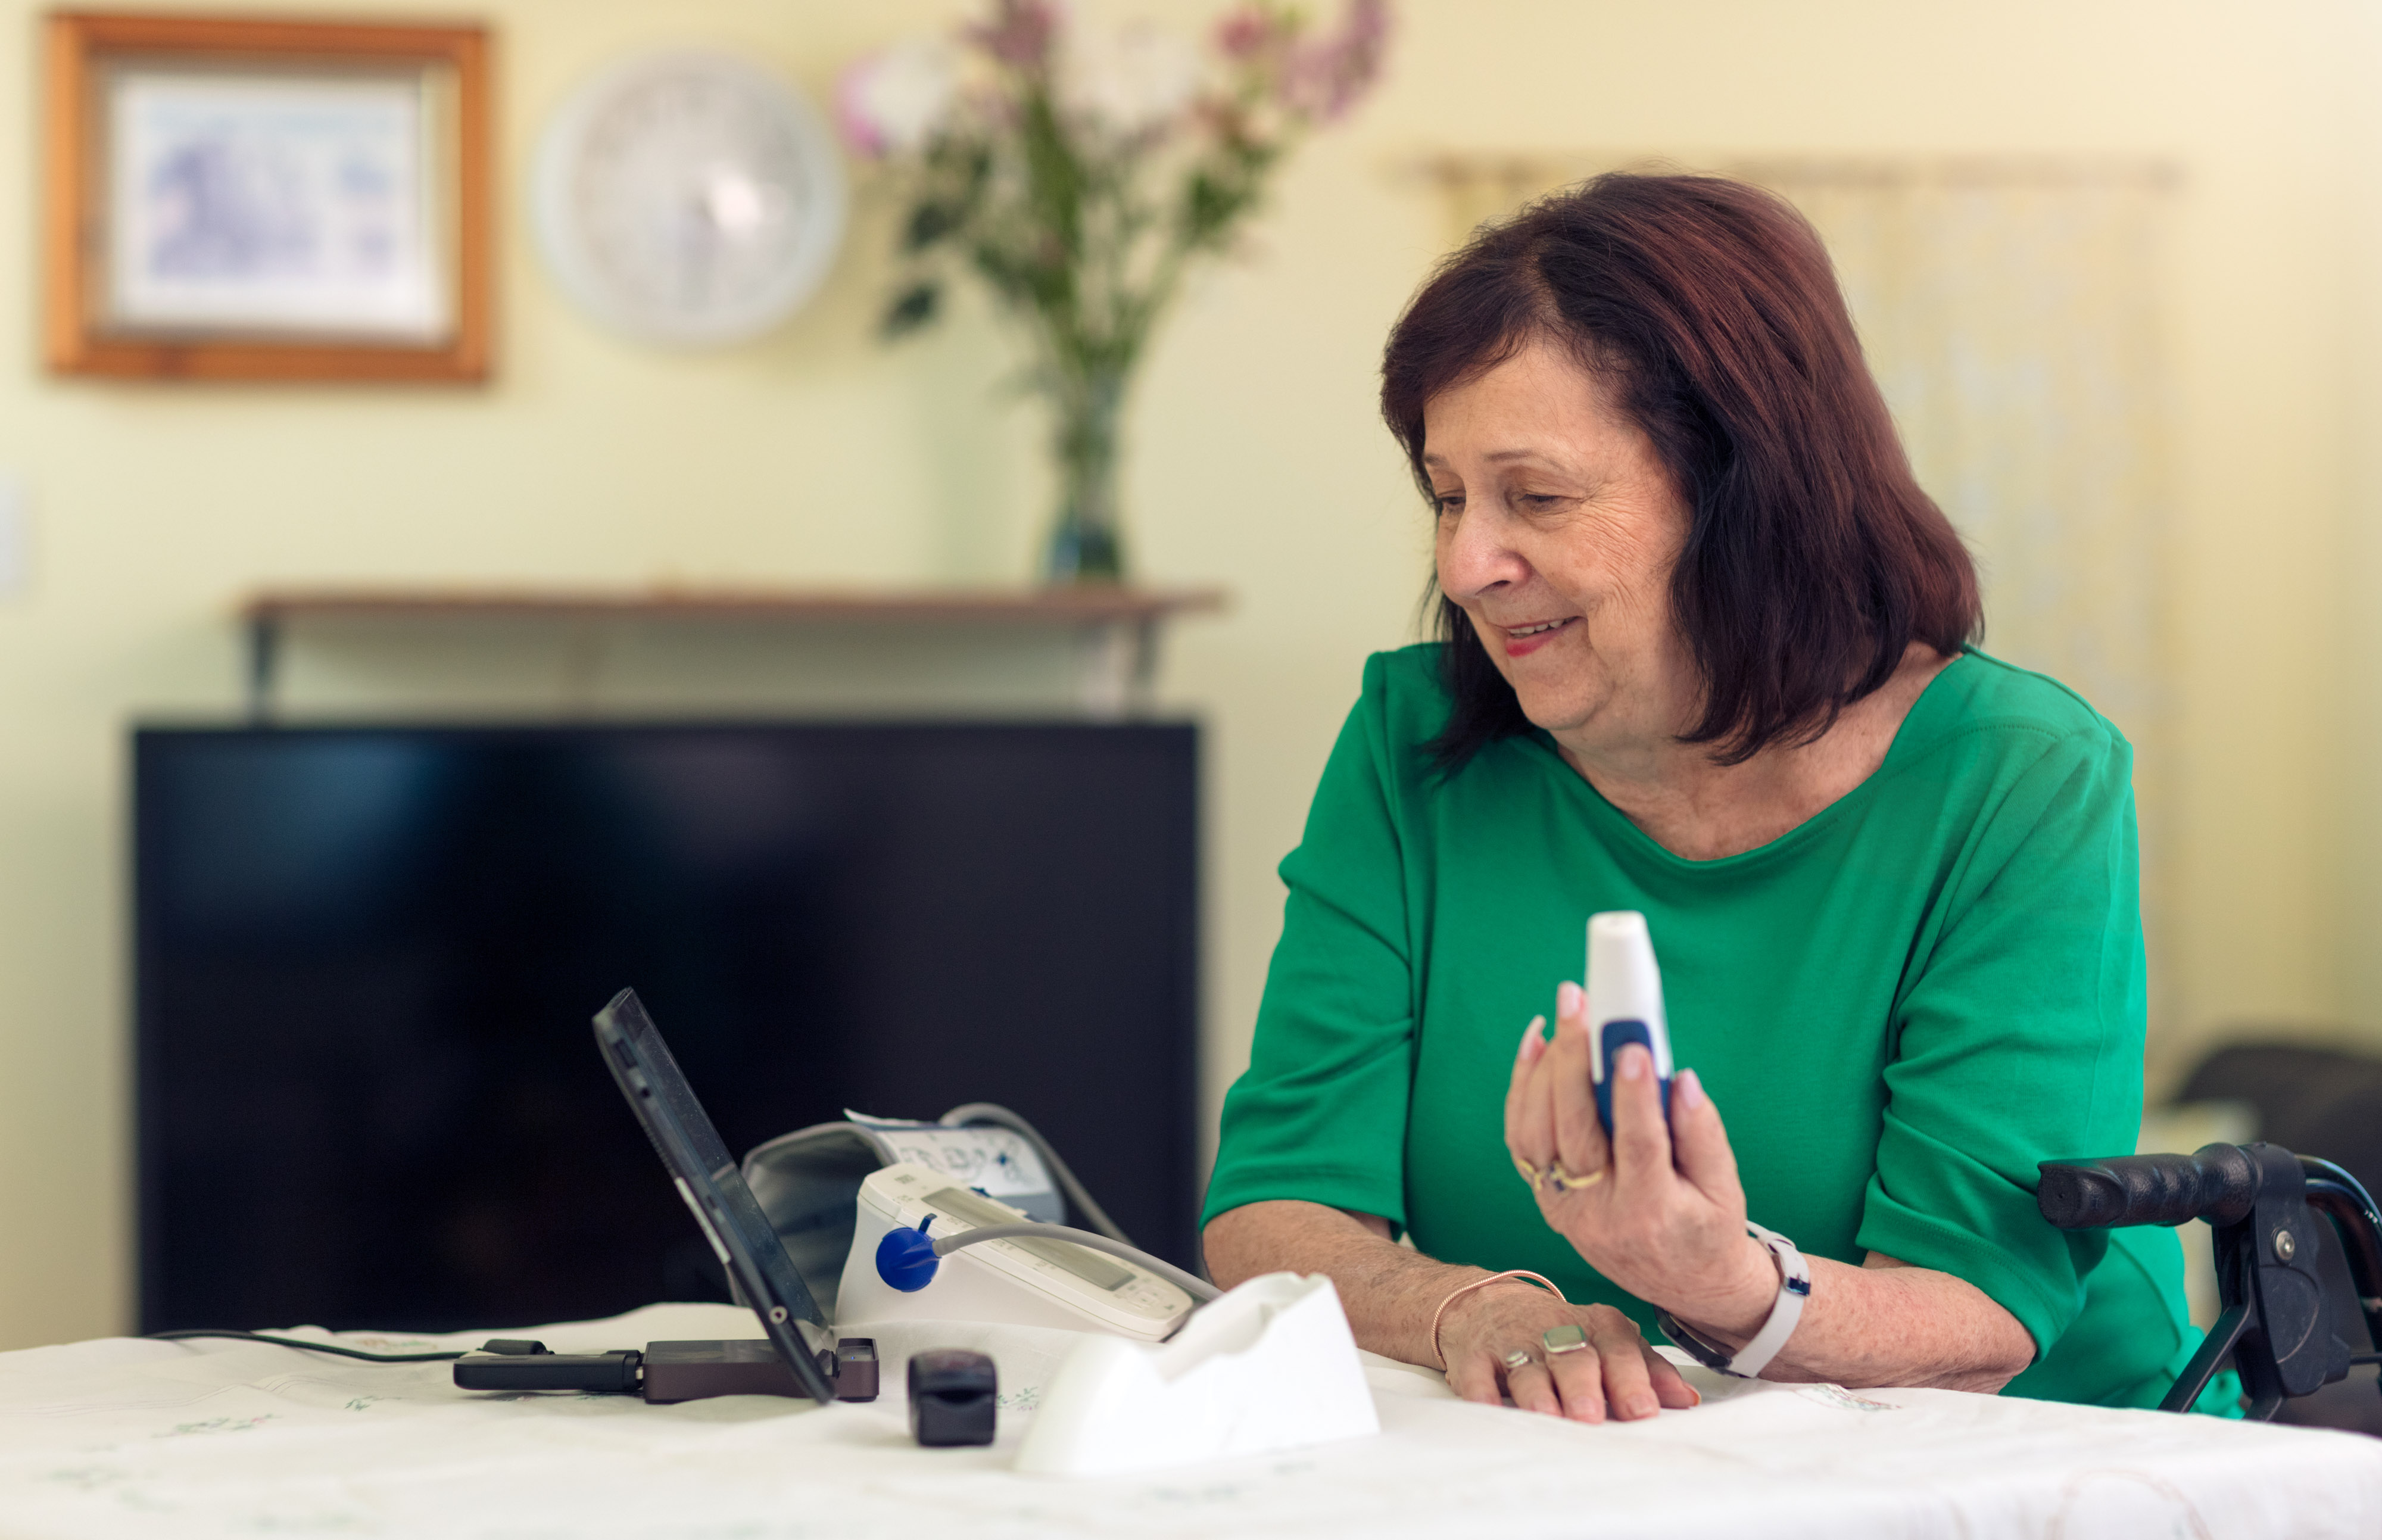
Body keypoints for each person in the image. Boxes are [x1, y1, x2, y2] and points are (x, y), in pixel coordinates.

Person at [1199, 172, 2205, 1421]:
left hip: (2023, 1480)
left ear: (1742, 491)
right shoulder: (1410, 744)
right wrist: (1474, 1310)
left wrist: (1715, 1282)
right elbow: (1271, 1209)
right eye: (1447, 495)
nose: (1464, 564)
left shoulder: (2016, 776)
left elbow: (1976, 1318)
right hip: (1593, 1483)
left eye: (1538, 497)